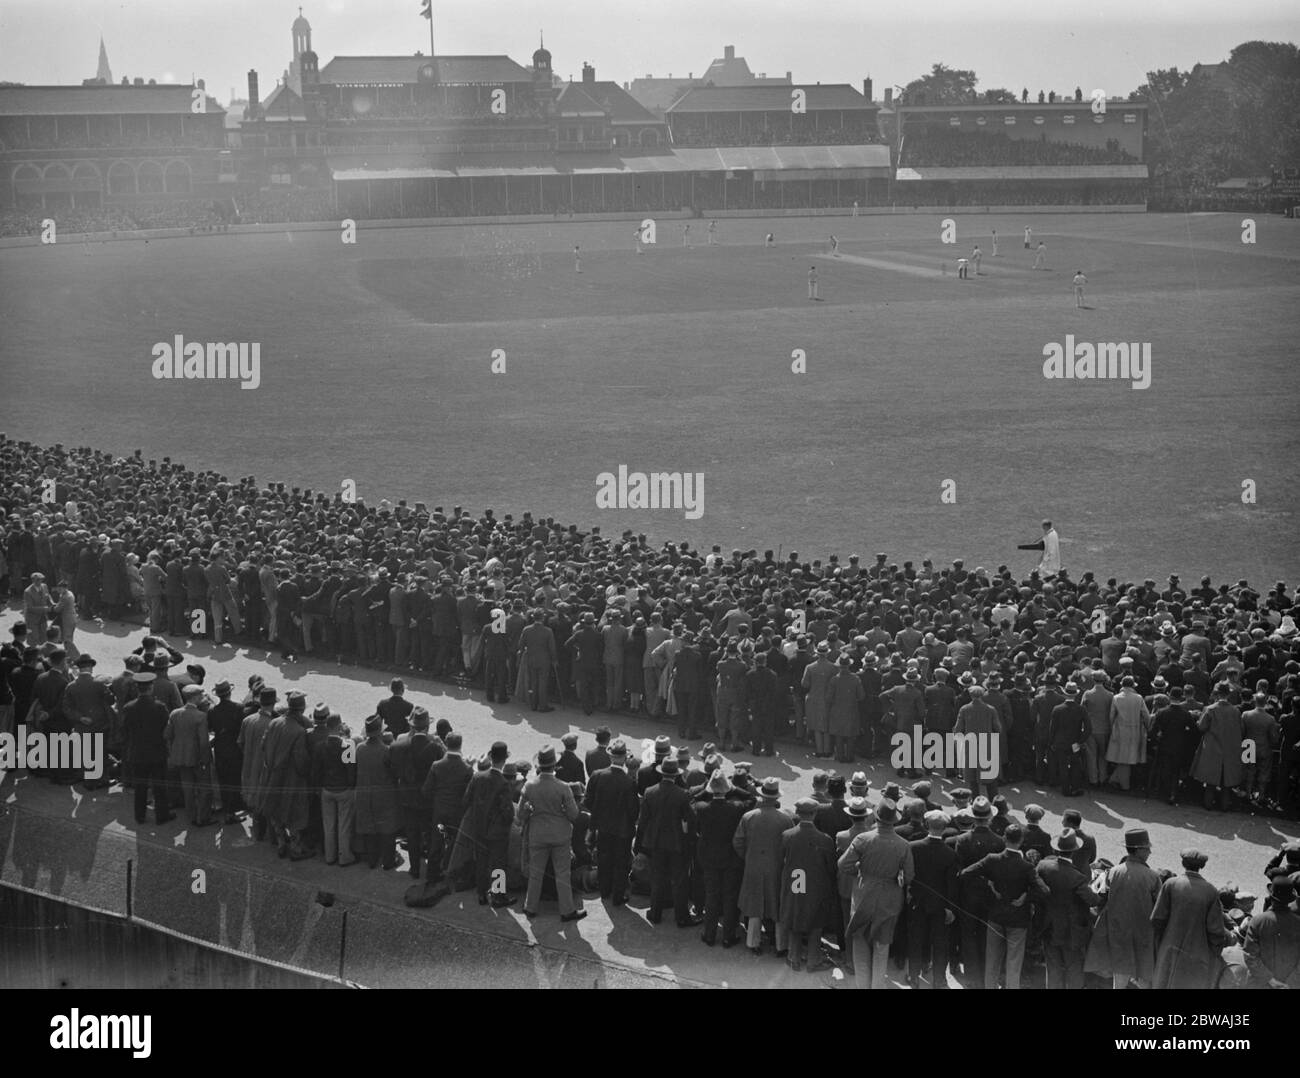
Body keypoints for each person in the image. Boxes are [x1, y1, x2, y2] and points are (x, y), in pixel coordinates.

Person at [960, 823, 1048, 989]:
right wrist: (1026, 897)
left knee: (992, 961)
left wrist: (989, 883)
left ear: (1004, 838)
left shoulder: (992, 859)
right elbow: (1044, 891)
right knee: (1013, 963)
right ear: (1021, 840)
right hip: (1018, 920)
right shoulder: (1027, 866)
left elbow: (965, 873)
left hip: (995, 916)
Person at [839, 799, 914, 988]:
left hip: (864, 894)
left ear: (877, 818)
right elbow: (909, 876)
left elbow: (843, 864)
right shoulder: (904, 845)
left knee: (860, 945)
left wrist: (859, 870)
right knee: (882, 947)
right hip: (890, 898)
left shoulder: (863, 839)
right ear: (894, 820)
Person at [1085, 828, 1162, 988]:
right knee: (1145, 977)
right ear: (1138, 850)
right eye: (1147, 848)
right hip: (1143, 935)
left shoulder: (1112, 872)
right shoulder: (1153, 877)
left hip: (1118, 932)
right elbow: (1160, 909)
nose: (1149, 852)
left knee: (1119, 977)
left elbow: (1099, 899)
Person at [519, 746, 586, 922]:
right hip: (560, 835)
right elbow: (574, 815)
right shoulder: (563, 787)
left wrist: (531, 812)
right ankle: (567, 910)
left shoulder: (529, 786)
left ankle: (530, 906)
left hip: (537, 834)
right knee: (562, 873)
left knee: (536, 872)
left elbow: (521, 815)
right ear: (555, 765)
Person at [1151, 848, 1229, 988]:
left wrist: (1161, 944)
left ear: (1182, 863)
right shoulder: (1210, 891)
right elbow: (1216, 931)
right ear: (1202, 866)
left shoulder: (1171, 884)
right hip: (1196, 956)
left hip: (1168, 950)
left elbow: (1157, 919)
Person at [734, 777, 794, 954]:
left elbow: (738, 842)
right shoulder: (785, 819)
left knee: (754, 907)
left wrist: (748, 857)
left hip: (753, 866)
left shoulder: (748, 817)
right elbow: (788, 844)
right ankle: (781, 945)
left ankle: (753, 943)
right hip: (776, 867)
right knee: (777, 905)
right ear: (777, 798)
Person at [1036, 829, 1102, 988]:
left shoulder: (1043, 866)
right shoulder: (1077, 877)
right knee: (1074, 969)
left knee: (1053, 968)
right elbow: (1093, 900)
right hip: (1071, 932)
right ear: (1073, 851)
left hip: (1049, 927)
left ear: (1056, 849)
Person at [636, 757, 696, 926]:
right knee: (679, 880)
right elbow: (690, 820)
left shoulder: (649, 792)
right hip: (677, 844)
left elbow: (643, 822)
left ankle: (655, 913)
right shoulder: (682, 795)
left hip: (655, 843)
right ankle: (681, 917)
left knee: (657, 879)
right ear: (676, 775)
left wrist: (641, 843)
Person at [779, 798, 837, 972]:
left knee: (796, 915)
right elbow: (831, 867)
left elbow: (781, 860)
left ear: (798, 813)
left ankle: (793, 958)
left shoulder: (787, 835)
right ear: (814, 813)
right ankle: (813, 960)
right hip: (815, 885)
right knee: (815, 920)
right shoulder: (825, 839)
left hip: (796, 883)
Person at [907, 809, 957, 989]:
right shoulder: (950, 854)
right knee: (940, 943)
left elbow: (908, 874)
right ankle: (939, 979)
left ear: (927, 825)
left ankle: (914, 976)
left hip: (917, 901)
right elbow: (951, 884)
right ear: (944, 828)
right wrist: (950, 908)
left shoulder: (913, 847)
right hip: (940, 904)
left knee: (916, 939)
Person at [584, 740, 639, 905]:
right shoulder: (629, 782)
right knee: (621, 863)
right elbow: (633, 811)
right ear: (624, 758)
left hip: (603, 827)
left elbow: (588, 801)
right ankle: (618, 895)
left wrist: (599, 814)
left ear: (610, 756)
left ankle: (605, 891)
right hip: (622, 830)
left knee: (604, 859)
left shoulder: (597, 775)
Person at [462, 740, 516, 906]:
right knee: (499, 864)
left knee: (481, 861)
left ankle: (481, 894)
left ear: (491, 756)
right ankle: (498, 895)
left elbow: (466, 800)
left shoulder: (477, 777)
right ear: (504, 760)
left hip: (479, 828)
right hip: (497, 831)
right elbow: (508, 812)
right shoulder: (503, 783)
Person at [121, 671, 172, 826]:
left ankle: (140, 816)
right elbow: (167, 729)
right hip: (157, 751)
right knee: (159, 786)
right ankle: (162, 815)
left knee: (140, 786)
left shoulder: (129, 707)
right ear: (151, 687)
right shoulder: (160, 707)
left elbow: (124, 730)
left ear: (138, 688)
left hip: (137, 752)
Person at [166, 684, 215, 827]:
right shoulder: (200, 716)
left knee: (187, 789)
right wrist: (207, 759)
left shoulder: (175, 713)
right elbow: (204, 742)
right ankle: (203, 818)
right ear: (196, 697)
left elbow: (167, 734)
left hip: (181, 757)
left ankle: (192, 817)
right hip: (197, 758)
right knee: (205, 789)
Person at [312, 712, 357, 866]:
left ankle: (329, 856)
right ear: (339, 726)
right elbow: (351, 771)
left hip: (326, 789)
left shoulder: (320, 746)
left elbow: (316, 771)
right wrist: (351, 787)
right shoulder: (348, 745)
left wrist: (319, 788)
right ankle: (344, 857)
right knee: (344, 825)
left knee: (329, 825)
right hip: (344, 789)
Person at [354, 715, 399, 870]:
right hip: (384, 795)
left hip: (365, 793)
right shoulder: (386, 751)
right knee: (387, 829)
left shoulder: (359, 748)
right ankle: (388, 861)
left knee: (370, 829)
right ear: (380, 732)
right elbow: (394, 773)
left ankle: (372, 860)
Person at [1191, 682, 1244, 810]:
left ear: (1217, 693)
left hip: (1212, 746)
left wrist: (1197, 718)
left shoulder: (1210, 709)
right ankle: (1225, 805)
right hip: (1230, 747)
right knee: (1226, 781)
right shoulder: (1236, 711)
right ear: (1229, 694)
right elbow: (1241, 729)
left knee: (1211, 779)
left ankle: (1208, 804)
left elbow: (1202, 727)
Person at [1243, 874, 1300, 988]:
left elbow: (1250, 955)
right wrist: (1291, 982)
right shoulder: (1298, 923)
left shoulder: (1257, 921)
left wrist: (1270, 980)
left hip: (1261, 984)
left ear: (1271, 897)